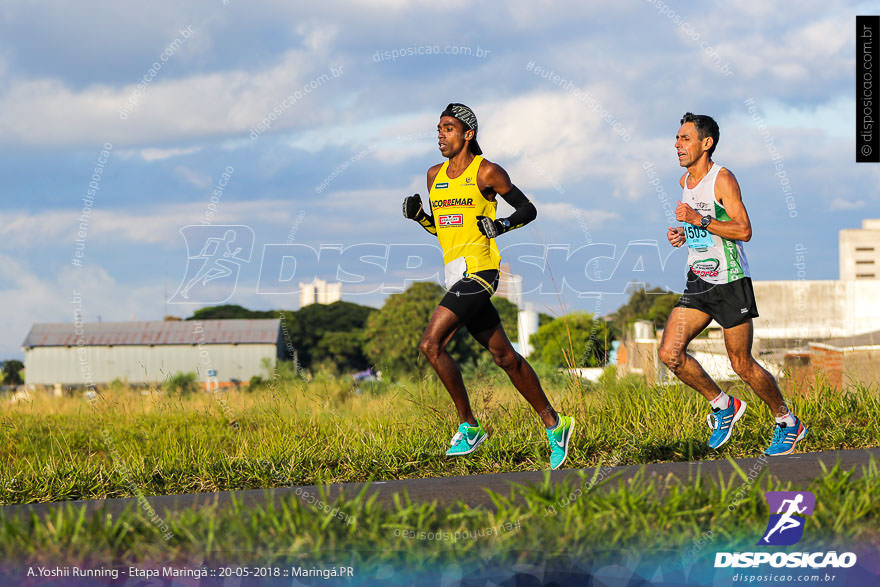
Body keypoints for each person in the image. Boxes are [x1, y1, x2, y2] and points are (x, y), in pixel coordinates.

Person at [402, 103, 575, 469]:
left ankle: (469, 426)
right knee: (505, 357)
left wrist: (503, 226)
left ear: (468, 134)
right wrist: (421, 218)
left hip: (481, 272)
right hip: (454, 272)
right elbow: (444, 229)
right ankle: (555, 424)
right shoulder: (434, 176)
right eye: (438, 129)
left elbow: (528, 209)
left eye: (448, 128)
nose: (440, 135)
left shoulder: (488, 172)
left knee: (430, 344)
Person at [659, 112, 806, 456]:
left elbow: (743, 230)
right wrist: (687, 234)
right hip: (699, 280)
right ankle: (723, 404)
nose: (677, 144)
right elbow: (707, 229)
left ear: (705, 143)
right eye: (677, 138)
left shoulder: (722, 179)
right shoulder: (685, 181)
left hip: (730, 281)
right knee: (670, 353)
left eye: (684, 138)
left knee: (741, 363)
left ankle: (787, 421)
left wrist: (698, 219)